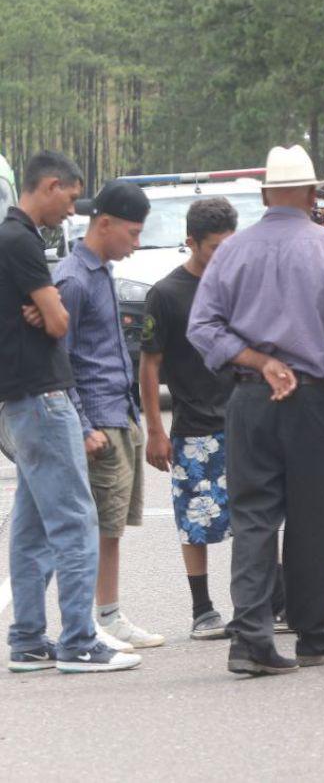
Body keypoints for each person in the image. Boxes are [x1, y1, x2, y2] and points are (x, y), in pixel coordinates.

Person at [189, 144, 324, 677]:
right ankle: (314, 633)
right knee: (313, 520)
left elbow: (202, 327)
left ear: (267, 194)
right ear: (313, 193)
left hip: (250, 397)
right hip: (316, 398)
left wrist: (258, 360)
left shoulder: (231, 251)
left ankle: (250, 639)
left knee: (253, 519)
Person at [2, 151, 140, 674]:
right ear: (50, 185)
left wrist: (49, 310)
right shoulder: (20, 240)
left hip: (24, 398)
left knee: (34, 525)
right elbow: (60, 324)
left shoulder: (12, 239)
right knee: (76, 518)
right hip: (43, 397)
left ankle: (29, 639)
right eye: (69, 196)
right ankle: (80, 640)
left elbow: (52, 313)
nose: (71, 208)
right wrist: (51, 313)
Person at [54, 180, 164, 652]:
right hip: (95, 422)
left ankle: (110, 615)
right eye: (133, 233)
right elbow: (60, 360)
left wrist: (133, 415)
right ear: (105, 224)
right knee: (92, 526)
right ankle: (84, 623)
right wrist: (82, 426)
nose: (136, 245)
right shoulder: (74, 278)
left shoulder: (101, 273)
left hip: (118, 416)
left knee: (112, 526)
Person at [139, 198, 239, 640]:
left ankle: (268, 602)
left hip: (244, 420)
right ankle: (202, 610)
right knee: (196, 521)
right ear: (191, 242)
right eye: (215, 247)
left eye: (230, 246)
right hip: (195, 426)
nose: (223, 255)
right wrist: (155, 431)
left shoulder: (238, 284)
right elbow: (149, 365)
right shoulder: (165, 294)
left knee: (258, 517)